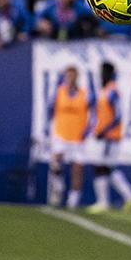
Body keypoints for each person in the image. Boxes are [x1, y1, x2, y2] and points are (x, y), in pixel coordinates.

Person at [87, 62, 131, 214]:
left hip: (109, 137)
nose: (101, 75)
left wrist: (103, 131)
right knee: (107, 168)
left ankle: (103, 202)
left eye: (103, 72)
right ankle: (130, 196)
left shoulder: (112, 91)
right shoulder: (105, 91)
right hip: (106, 136)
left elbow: (117, 116)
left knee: (101, 167)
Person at [48, 66, 94, 209]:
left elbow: (93, 115)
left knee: (77, 169)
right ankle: (58, 188)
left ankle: (73, 200)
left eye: (72, 76)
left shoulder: (84, 94)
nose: (70, 78)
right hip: (61, 133)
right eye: (68, 76)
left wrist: (87, 131)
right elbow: (49, 109)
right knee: (56, 160)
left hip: (77, 137)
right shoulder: (58, 92)